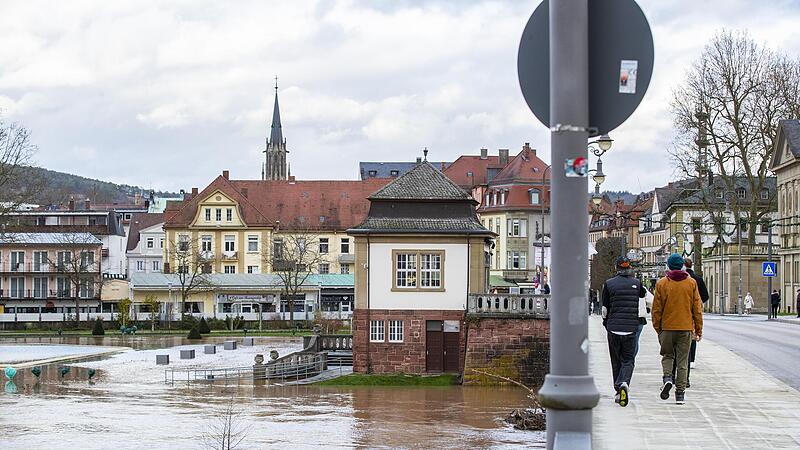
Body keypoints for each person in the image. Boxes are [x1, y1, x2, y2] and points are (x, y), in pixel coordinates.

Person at [652, 253, 703, 405]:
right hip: (685, 328)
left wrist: (658, 328)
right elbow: (697, 309)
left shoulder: (662, 283)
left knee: (667, 355)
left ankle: (667, 378)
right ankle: (680, 393)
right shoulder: (691, 283)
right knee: (682, 360)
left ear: (668, 266)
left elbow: (656, 309)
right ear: (682, 265)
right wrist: (698, 329)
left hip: (667, 327)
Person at [602, 256, 647, 407]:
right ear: (629, 268)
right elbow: (643, 294)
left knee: (615, 360)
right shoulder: (636, 283)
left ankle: (617, 389)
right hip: (630, 328)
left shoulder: (608, 284)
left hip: (614, 328)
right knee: (628, 359)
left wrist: (606, 324)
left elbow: (604, 309)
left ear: (616, 268)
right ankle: (624, 383)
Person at [683, 259, 708, 372]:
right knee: (692, 335)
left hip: (682, 310)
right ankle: (691, 359)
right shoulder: (698, 279)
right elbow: (706, 296)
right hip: (694, 311)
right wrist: (698, 303)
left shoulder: (681, 279)